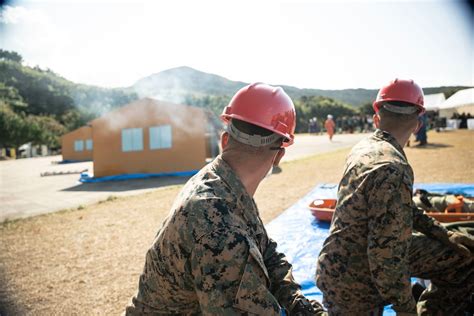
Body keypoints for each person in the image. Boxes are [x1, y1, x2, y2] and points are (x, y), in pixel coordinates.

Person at [126, 83, 325, 315]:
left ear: (225, 140)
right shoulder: (218, 224)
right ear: (279, 155)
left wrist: (299, 305)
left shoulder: (226, 185)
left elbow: (266, 251)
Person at [315, 79, 474, 315]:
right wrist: (406, 308)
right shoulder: (393, 167)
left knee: (462, 256)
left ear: (376, 116)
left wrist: (444, 234)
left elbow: (402, 209)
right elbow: (384, 257)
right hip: (355, 284)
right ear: (418, 124)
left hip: (339, 265)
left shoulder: (365, 147)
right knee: (465, 261)